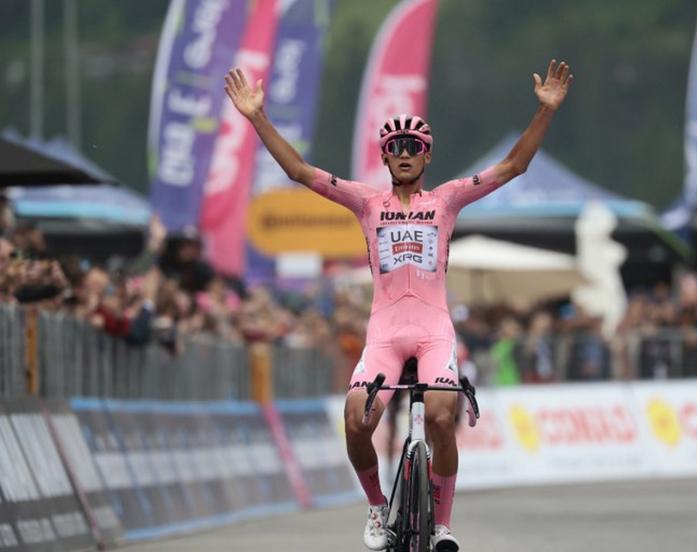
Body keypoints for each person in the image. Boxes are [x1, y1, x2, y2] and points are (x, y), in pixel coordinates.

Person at [224, 57, 573, 551]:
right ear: (386, 160)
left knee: (438, 418)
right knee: (354, 420)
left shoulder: (447, 200)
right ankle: (375, 508)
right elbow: (300, 171)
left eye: (414, 147)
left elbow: (514, 166)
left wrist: (546, 112)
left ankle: (444, 526)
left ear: (426, 158)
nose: (405, 153)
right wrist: (257, 117)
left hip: (433, 331)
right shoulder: (366, 202)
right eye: (395, 148)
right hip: (384, 334)